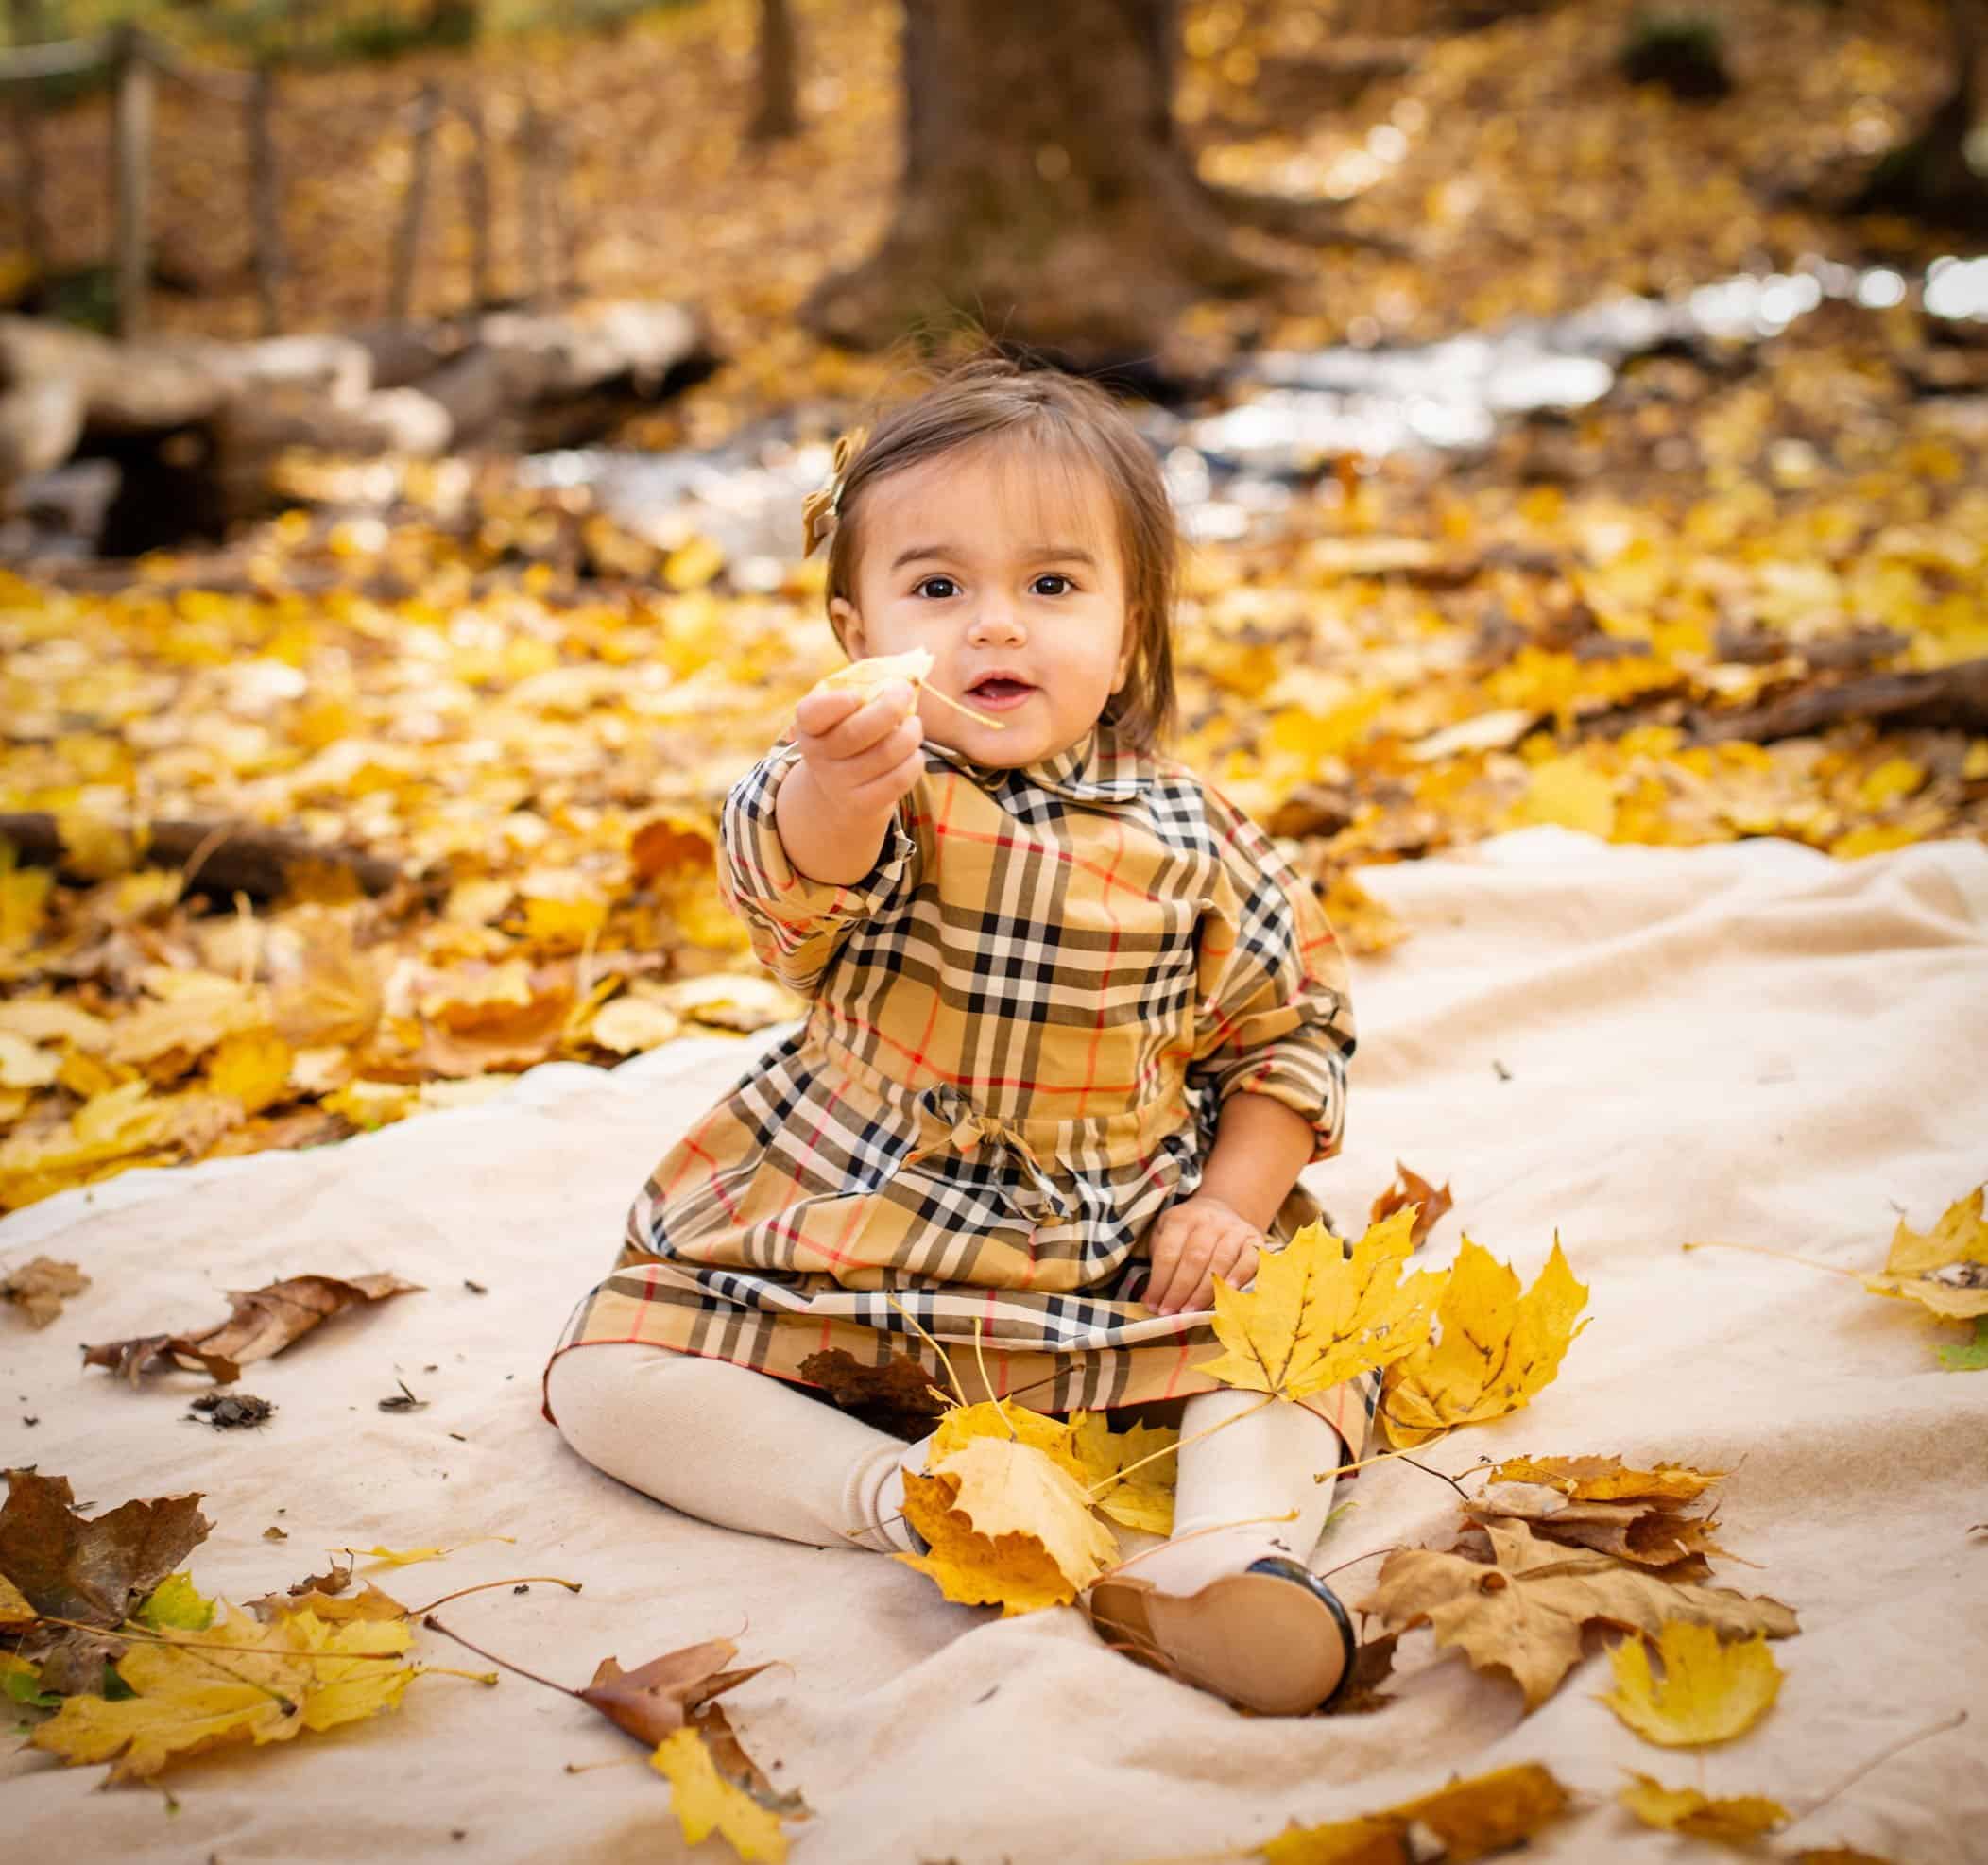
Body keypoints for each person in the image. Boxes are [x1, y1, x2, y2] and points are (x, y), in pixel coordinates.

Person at [546, 353, 1373, 1716]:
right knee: (607, 1373)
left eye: (1051, 585)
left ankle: (1232, 1562)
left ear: (1129, 625)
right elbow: (786, 884)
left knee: (1293, 1354)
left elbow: (1291, 1036)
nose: (996, 625)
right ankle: (911, 1497)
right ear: (854, 627)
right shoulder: (873, 790)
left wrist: (1230, 1206)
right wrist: (836, 786)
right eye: (937, 589)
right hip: (857, 1231)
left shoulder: (1198, 836)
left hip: (1116, 1250)